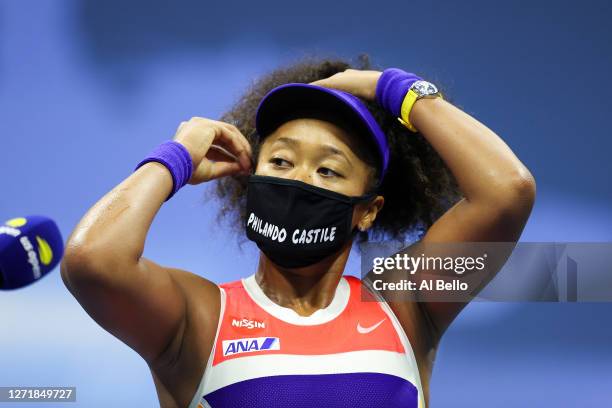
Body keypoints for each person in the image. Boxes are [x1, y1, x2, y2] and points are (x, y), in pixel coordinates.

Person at [61, 55, 536, 408]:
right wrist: (176, 159)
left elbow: (506, 191)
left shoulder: (406, 307)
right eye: (281, 161)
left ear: (368, 211)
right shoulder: (199, 316)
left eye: (328, 171)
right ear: (251, 181)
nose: (299, 180)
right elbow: (92, 260)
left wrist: (394, 89)